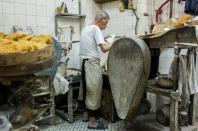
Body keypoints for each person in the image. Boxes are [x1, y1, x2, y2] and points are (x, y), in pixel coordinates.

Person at [79, 11, 112, 130]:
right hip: (92, 65)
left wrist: (105, 38)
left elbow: (94, 41)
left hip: (84, 64)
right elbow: (104, 49)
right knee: (94, 91)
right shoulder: (96, 29)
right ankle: (92, 123)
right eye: (106, 22)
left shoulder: (86, 28)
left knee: (88, 90)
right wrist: (115, 43)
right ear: (100, 19)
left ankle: (86, 116)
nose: (106, 25)